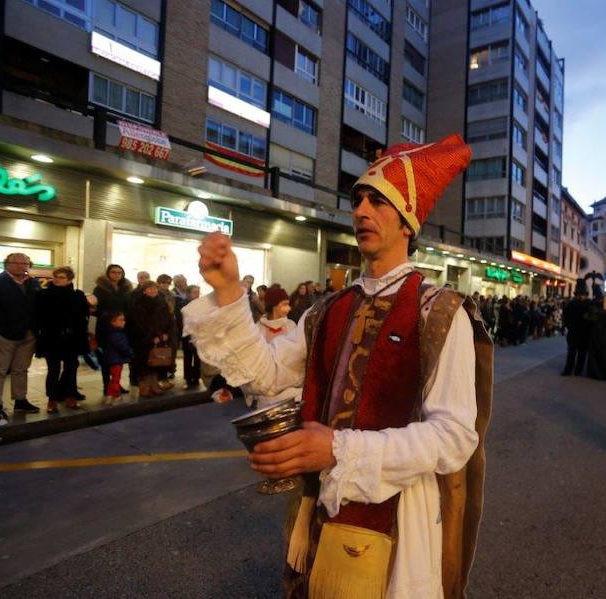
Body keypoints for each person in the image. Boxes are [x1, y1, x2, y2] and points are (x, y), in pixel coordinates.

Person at [183, 134, 492, 597]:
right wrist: (229, 292)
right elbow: (268, 373)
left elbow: (454, 437)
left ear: (408, 221)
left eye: (379, 202)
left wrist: (340, 450)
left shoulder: (441, 313)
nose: (362, 211)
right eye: (359, 200)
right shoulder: (328, 308)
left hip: (402, 517)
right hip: (323, 507)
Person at [0, 253, 42, 414]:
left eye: (25, 263)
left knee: (21, 369)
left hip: (28, 335)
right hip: (3, 335)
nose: (21, 266)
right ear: (6, 264)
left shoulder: (33, 283)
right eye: (16, 263)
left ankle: (20, 400)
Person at [35, 267, 90, 413]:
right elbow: (39, 315)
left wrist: (78, 331)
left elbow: (84, 315)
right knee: (53, 370)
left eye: (61, 277)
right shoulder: (44, 294)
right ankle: (52, 399)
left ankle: (70, 395)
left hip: (71, 338)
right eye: (56, 276)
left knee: (71, 369)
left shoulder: (78, 295)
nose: (57, 279)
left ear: (69, 279)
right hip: (51, 338)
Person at [128, 281, 173, 398]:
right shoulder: (138, 304)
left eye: (154, 288)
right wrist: (152, 337)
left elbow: (169, 320)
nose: (153, 290)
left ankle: (154, 386)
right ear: (144, 290)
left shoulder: (162, 302)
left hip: (160, 337)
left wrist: (166, 334)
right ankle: (144, 388)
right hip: (143, 340)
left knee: (156, 363)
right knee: (144, 364)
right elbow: (138, 324)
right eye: (150, 288)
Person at [93, 264, 134, 391]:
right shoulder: (100, 289)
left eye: (119, 273)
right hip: (105, 327)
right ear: (108, 273)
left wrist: (123, 318)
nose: (117, 275)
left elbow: (130, 307)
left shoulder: (126, 289)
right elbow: (95, 308)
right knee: (107, 357)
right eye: (113, 272)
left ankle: (116, 383)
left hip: (122, 327)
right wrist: (110, 317)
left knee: (119, 357)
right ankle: (107, 385)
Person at [561, 279, 592, 376]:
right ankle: (571, 370)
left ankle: (576, 370)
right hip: (576, 331)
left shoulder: (586, 305)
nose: (581, 296)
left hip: (582, 332)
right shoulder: (574, 304)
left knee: (580, 353)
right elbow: (565, 317)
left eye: (582, 294)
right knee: (572, 352)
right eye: (579, 294)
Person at [180, 285, 203, 390]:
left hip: (199, 334)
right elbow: (181, 320)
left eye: (198, 292)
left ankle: (197, 377)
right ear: (189, 293)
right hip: (187, 335)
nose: (197, 294)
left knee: (198, 357)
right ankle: (188, 379)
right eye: (194, 292)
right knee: (188, 357)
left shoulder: (201, 304)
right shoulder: (183, 304)